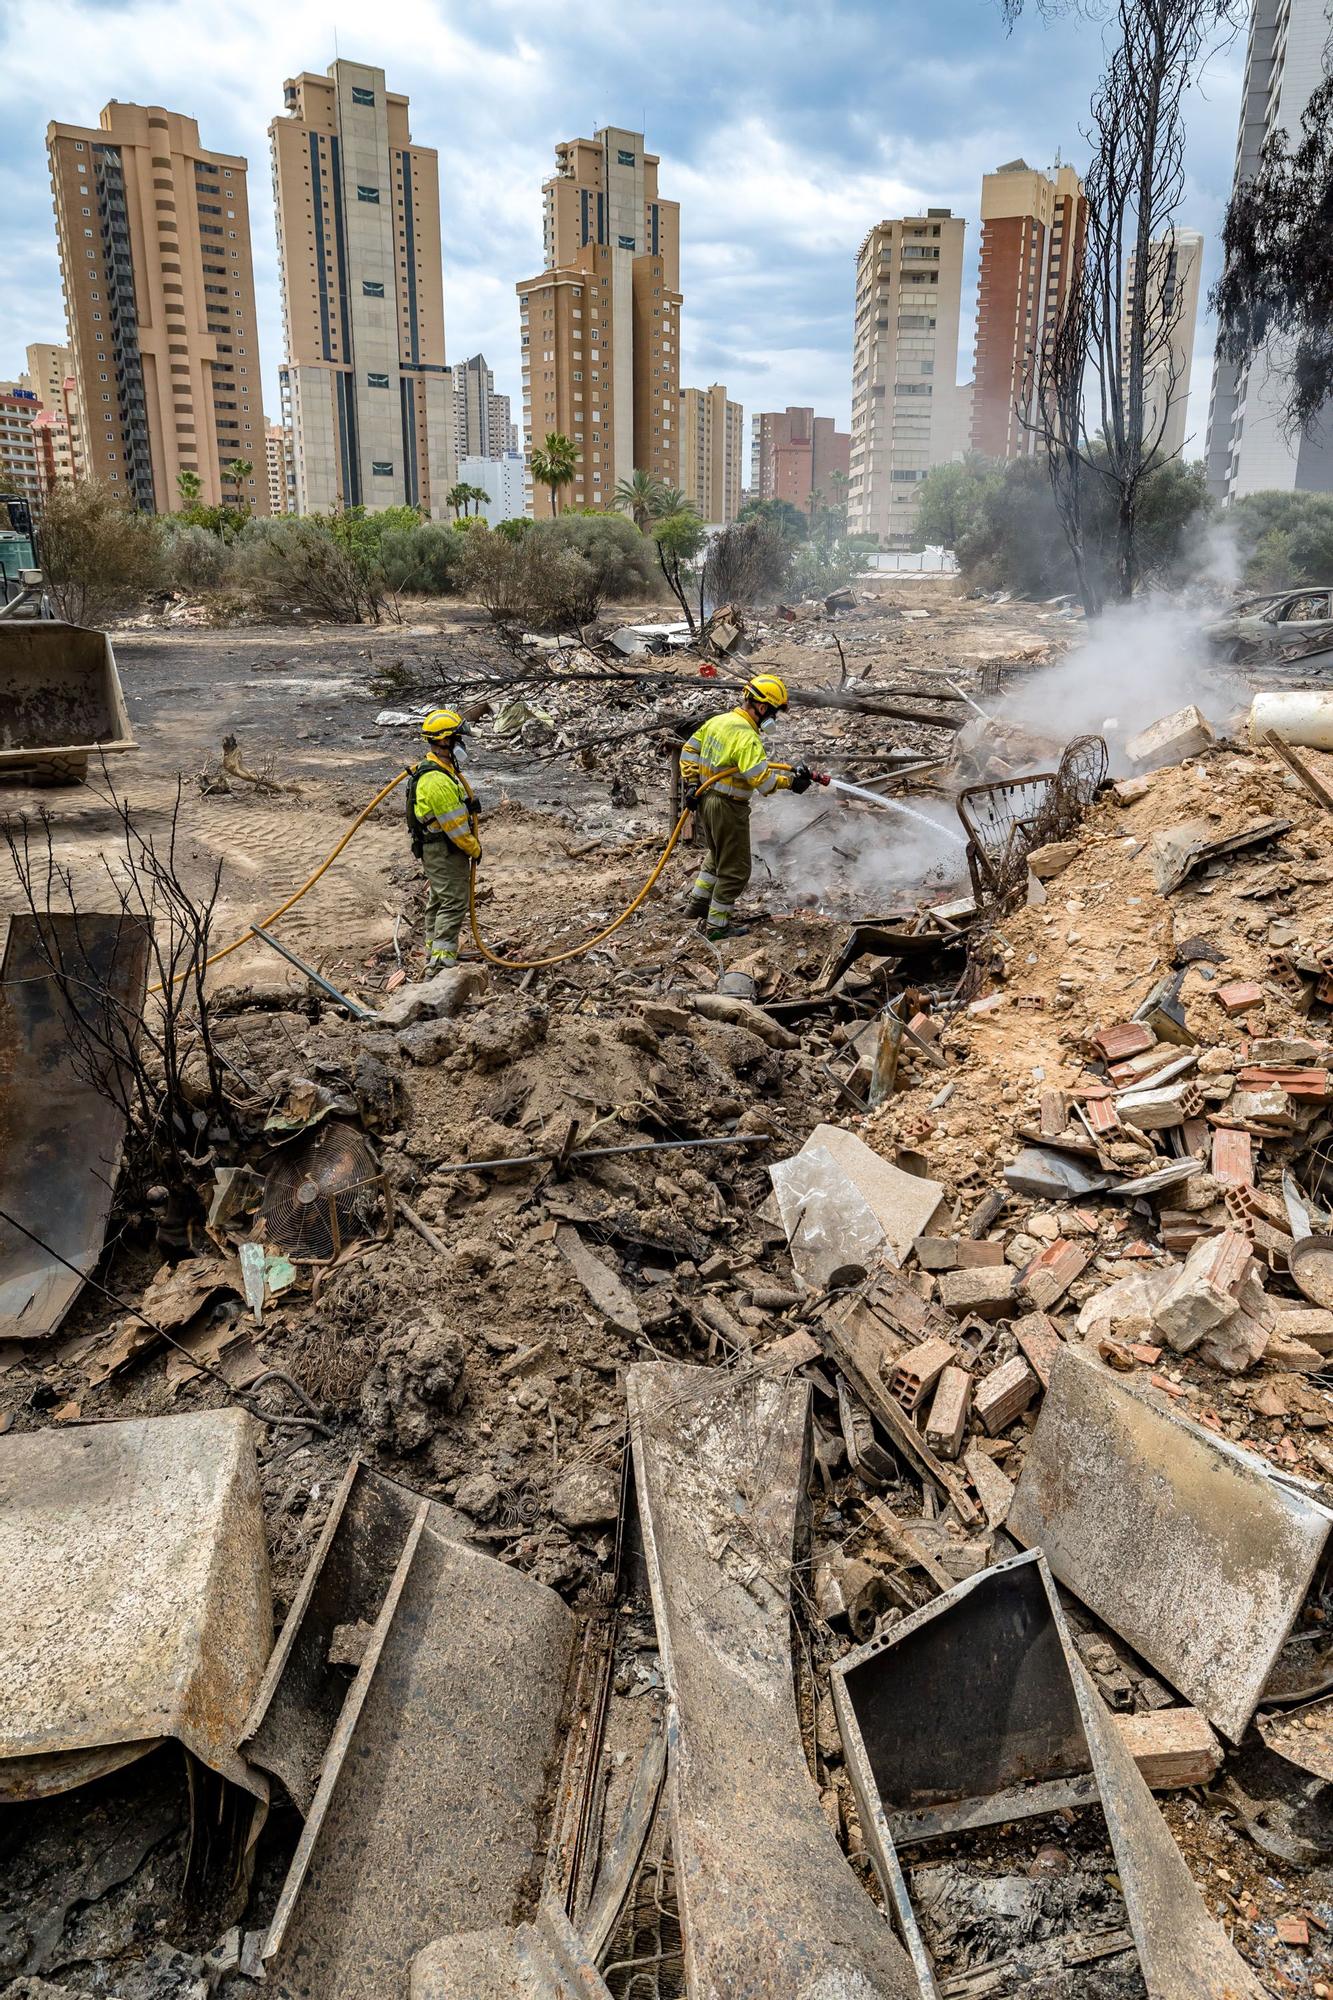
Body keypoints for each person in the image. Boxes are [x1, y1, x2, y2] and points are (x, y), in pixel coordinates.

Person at [678, 674, 816, 940]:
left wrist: (693, 783)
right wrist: (792, 783)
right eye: (774, 712)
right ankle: (717, 926)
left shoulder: (719, 721)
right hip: (728, 806)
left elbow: (688, 751)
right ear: (763, 708)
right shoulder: (747, 737)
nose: (774, 719)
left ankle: (696, 907)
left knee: (716, 858)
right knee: (737, 870)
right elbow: (762, 782)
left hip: (707, 800)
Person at [406, 708, 480, 974]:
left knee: (439, 899)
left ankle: (432, 951)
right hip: (445, 850)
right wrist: (474, 848)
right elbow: (456, 827)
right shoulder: (436, 780)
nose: (462, 745)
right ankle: (441, 962)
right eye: (459, 739)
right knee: (453, 902)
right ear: (445, 741)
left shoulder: (440, 772)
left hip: (437, 849)